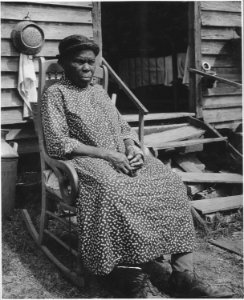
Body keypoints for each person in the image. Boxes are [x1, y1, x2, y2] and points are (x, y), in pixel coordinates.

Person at [41, 35, 231, 298]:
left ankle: (182, 273)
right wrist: (108, 155)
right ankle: (126, 269)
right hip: (84, 160)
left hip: (119, 155)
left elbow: (123, 127)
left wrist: (132, 147)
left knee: (171, 182)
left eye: (90, 62)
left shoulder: (97, 90)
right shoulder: (55, 93)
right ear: (63, 63)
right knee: (115, 189)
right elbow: (57, 142)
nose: (87, 68)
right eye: (79, 62)